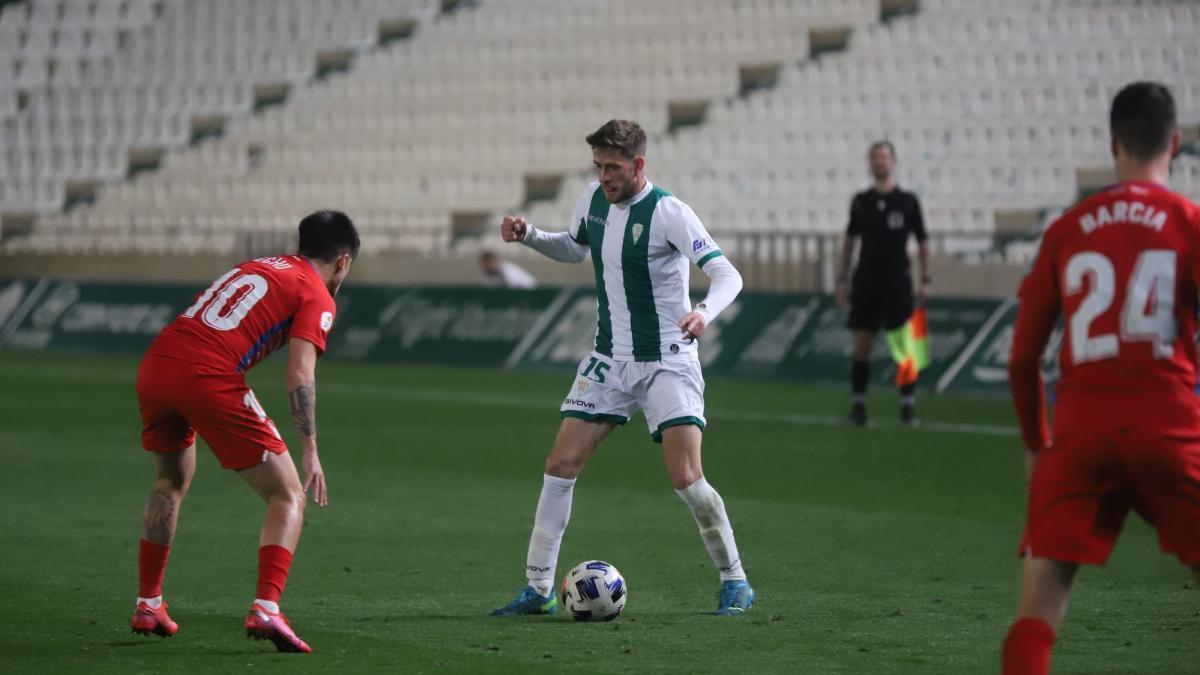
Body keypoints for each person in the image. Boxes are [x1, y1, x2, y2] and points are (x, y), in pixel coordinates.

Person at [491, 119, 754, 616]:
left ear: (638, 165)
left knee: (686, 478)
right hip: (609, 358)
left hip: (667, 362)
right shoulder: (593, 199)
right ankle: (539, 588)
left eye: (613, 167)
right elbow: (575, 247)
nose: (605, 176)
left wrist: (703, 312)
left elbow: (727, 274)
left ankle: (734, 579)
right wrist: (530, 235)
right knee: (559, 465)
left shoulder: (669, 213)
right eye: (598, 166)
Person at [1002, 81, 1200, 675]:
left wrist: (1038, 445)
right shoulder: (1188, 221)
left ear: (1113, 143)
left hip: (1080, 435)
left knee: (1035, 618)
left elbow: (1022, 359)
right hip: (1169, 427)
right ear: (1176, 142)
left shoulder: (1071, 227)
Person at [130, 210, 360, 653]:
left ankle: (148, 602)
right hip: (208, 376)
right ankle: (267, 607)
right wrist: (310, 449)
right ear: (344, 261)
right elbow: (299, 374)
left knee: (169, 482)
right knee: (288, 494)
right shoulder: (317, 293)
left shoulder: (259, 265)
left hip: (157, 364)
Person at [834, 141, 930, 427]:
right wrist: (842, 278)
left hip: (898, 281)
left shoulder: (908, 201)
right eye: (875, 157)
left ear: (893, 162)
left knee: (904, 347)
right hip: (866, 281)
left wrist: (926, 279)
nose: (880, 162)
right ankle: (859, 407)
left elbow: (923, 241)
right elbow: (850, 242)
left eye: (885, 157)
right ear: (870, 163)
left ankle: (908, 408)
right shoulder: (860, 201)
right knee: (861, 344)